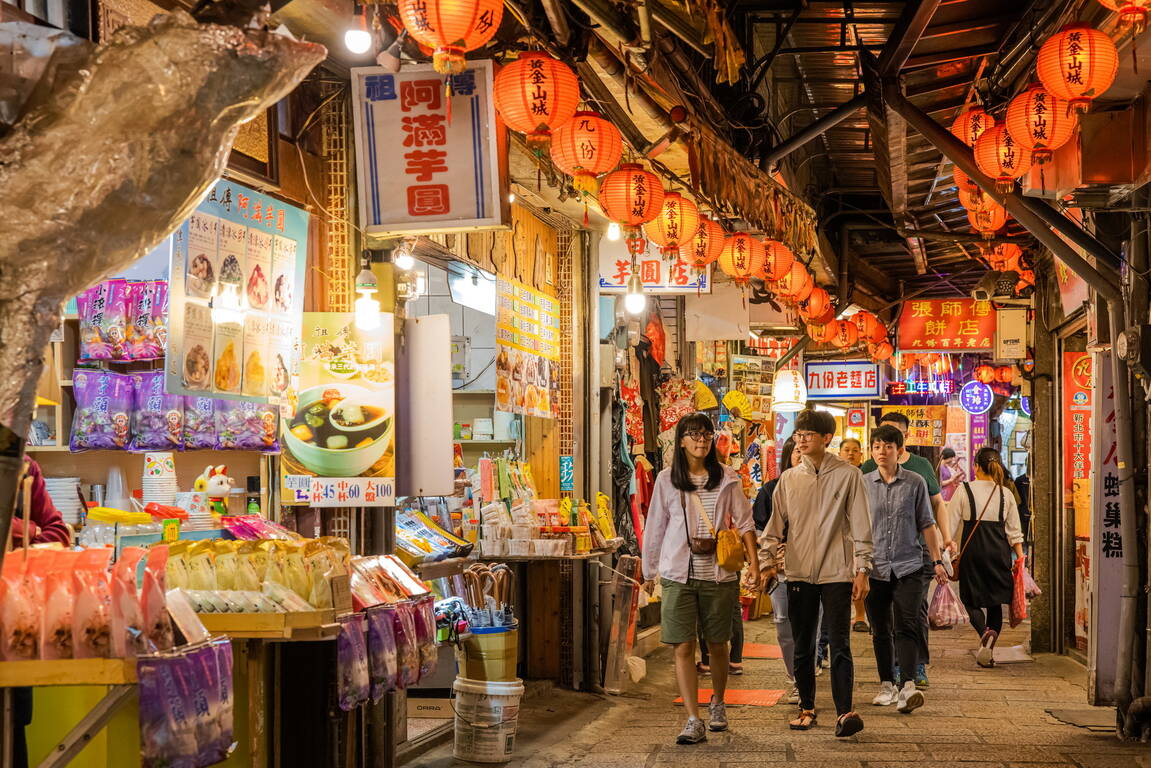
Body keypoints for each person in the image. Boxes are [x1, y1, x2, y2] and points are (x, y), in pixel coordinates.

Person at [642, 412, 761, 745]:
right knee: (683, 646)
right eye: (693, 434)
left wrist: (753, 564)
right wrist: (649, 571)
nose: (700, 440)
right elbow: (655, 527)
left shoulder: (728, 478)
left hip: (719, 574)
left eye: (706, 434)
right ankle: (693, 719)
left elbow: (746, 523)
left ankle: (718, 702)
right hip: (678, 573)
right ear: (681, 440)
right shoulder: (666, 480)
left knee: (718, 644)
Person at [758, 409, 873, 737]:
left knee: (840, 642)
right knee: (804, 643)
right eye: (798, 435)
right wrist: (766, 563)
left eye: (809, 434)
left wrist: (862, 568)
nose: (802, 439)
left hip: (838, 572)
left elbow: (862, 524)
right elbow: (774, 526)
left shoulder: (849, 475)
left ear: (826, 438)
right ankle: (806, 707)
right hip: (797, 573)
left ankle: (844, 712)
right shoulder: (790, 479)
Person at [863, 426, 949, 714]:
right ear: (871, 451)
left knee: (907, 623)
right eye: (877, 446)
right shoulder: (863, 484)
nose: (882, 451)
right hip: (874, 567)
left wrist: (937, 562)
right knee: (880, 629)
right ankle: (886, 684)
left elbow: (927, 523)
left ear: (899, 450)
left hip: (909, 564)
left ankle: (908, 684)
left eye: (888, 446)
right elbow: (856, 527)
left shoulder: (915, 482)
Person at [939, 447, 1025, 668]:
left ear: (976, 466)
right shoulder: (1005, 493)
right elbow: (1014, 531)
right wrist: (1020, 558)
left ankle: (984, 634)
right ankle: (988, 647)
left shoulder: (964, 490)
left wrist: (945, 550)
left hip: (972, 552)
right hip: (999, 552)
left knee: (970, 600)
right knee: (995, 603)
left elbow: (949, 524)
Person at [753, 436, 800, 702]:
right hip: (779, 569)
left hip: (813, 568)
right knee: (783, 622)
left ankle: (803, 676)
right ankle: (793, 675)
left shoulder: (823, 488)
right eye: (796, 453)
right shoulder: (770, 490)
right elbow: (760, 529)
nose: (801, 458)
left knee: (810, 624)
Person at [10, 457, 71, 546]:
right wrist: (31, 530)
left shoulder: (26, 467)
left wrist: (24, 547)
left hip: (24, 558)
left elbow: (58, 534)